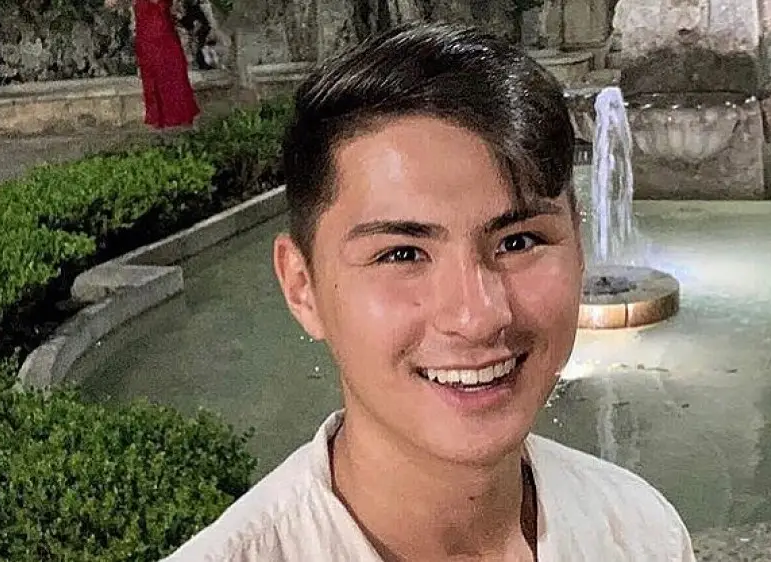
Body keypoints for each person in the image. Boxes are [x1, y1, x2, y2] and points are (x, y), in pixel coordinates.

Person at [163, 22, 696, 561]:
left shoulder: (640, 533)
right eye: (402, 254)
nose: (478, 316)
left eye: (518, 242)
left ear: (578, 247)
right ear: (302, 287)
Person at [106, 0, 200, 129]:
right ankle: (160, 121)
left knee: (173, 77)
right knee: (152, 79)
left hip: (162, 35)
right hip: (145, 38)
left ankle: (180, 121)